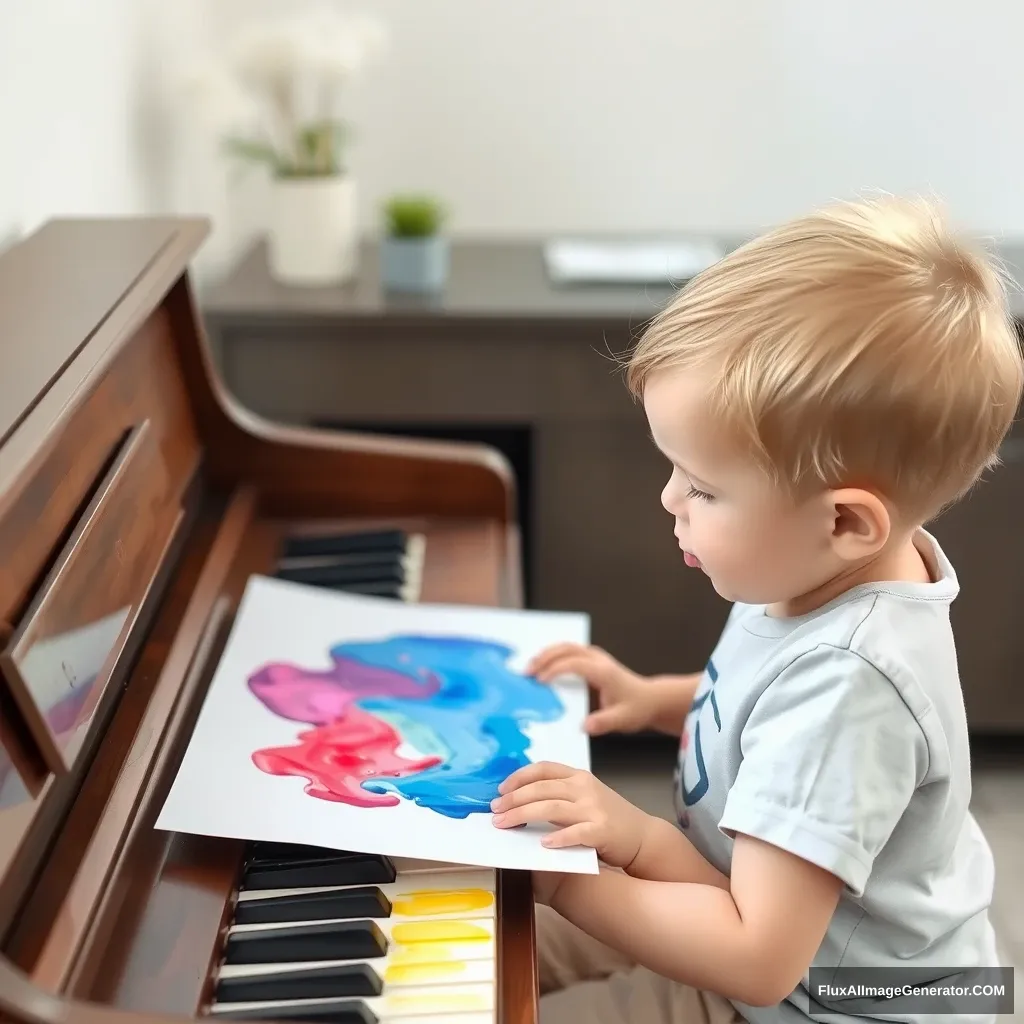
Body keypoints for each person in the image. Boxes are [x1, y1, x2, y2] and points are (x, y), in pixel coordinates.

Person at [490, 196, 1023, 1023]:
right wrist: (655, 698)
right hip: (738, 902)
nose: (669, 498)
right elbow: (764, 708)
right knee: (484, 936)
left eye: (703, 487)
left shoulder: (852, 684)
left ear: (846, 520)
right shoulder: (817, 572)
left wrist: (578, 874)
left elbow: (757, 961)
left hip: (831, 1000)